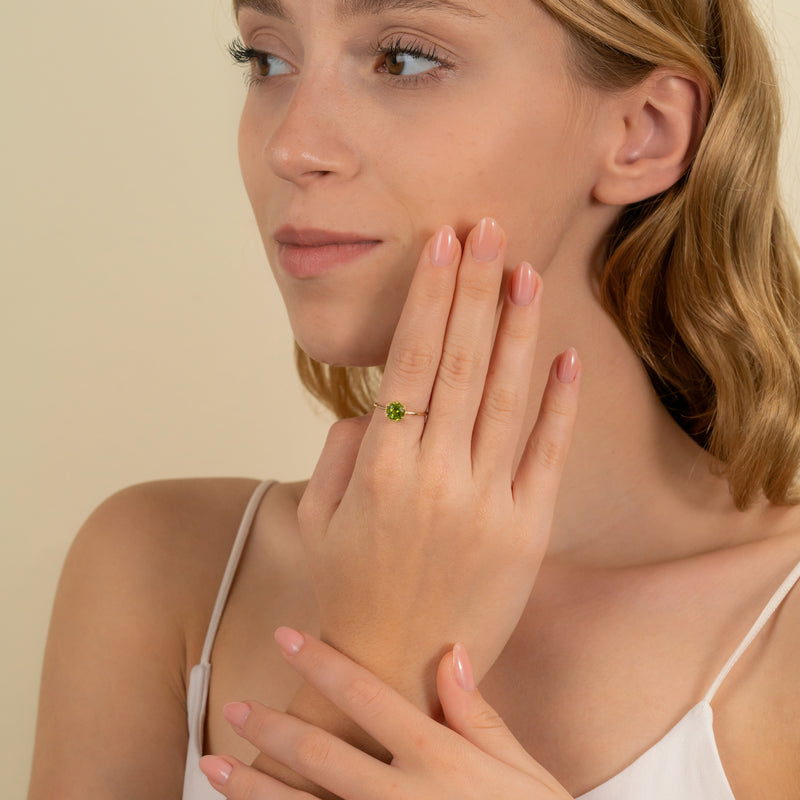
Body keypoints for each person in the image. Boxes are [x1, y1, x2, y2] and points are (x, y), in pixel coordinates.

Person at [26, 0, 800, 798]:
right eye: (266, 59)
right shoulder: (163, 568)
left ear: (646, 132)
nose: (291, 147)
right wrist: (380, 652)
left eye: (403, 59)